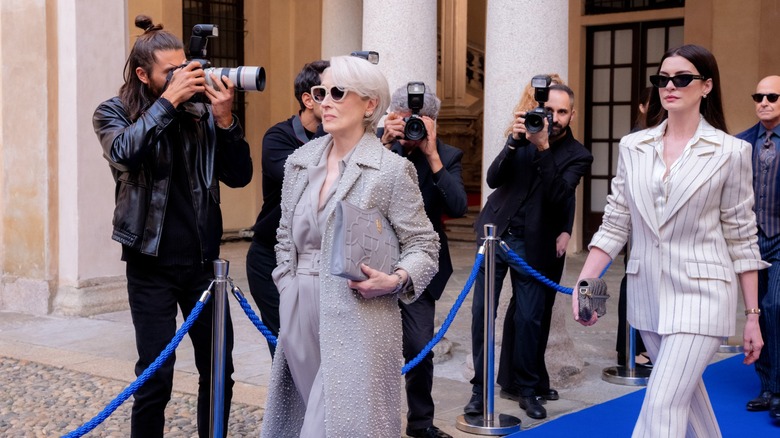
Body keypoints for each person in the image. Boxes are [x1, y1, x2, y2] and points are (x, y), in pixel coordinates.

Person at [572, 44, 766, 437]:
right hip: (649, 294)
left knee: (662, 402)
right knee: (684, 399)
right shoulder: (634, 146)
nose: (670, 86)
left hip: (704, 294)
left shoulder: (731, 152)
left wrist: (752, 317)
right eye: (662, 79)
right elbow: (616, 221)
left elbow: (742, 237)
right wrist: (586, 283)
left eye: (682, 78)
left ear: (706, 86)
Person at [260, 55, 440, 438]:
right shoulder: (300, 162)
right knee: (312, 414)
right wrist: (286, 283)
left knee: (335, 425)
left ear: (370, 104)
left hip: (357, 312)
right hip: (298, 307)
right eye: (321, 92)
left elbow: (424, 244)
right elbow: (283, 235)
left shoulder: (390, 169)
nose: (325, 101)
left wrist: (395, 279)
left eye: (339, 93)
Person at [92, 15, 253, 438]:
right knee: (155, 377)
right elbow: (125, 154)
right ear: (144, 75)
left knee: (219, 369)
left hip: (203, 266)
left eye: (185, 67)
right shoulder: (113, 112)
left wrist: (225, 120)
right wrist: (168, 104)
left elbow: (239, 176)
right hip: (150, 265)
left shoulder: (201, 114)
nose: (184, 76)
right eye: (172, 72)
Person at [465, 79, 593, 420]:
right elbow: (493, 179)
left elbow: (559, 197)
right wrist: (513, 143)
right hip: (495, 235)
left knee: (529, 319)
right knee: (482, 315)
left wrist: (543, 148)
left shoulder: (577, 155)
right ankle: (480, 389)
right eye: (549, 109)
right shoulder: (521, 136)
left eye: (562, 111)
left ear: (572, 115)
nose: (553, 117)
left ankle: (526, 388)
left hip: (533, 243)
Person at [380, 85, 468, 438]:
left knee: (419, 348)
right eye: (405, 118)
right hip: (375, 259)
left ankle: (421, 423)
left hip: (421, 267)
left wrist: (432, 156)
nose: (412, 126)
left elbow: (459, 206)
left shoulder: (447, 155)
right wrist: (384, 143)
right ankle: (376, 421)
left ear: (434, 123)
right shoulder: (374, 146)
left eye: (421, 121)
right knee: (374, 350)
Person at [246, 60, 329, 356]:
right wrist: (336, 137)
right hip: (271, 259)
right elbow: (301, 175)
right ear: (308, 99)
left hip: (320, 262)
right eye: (327, 92)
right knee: (289, 350)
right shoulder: (278, 137)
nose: (335, 100)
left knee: (320, 351)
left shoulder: (345, 140)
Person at [736, 75, 780, 420]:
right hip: (752, 239)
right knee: (759, 313)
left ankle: (778, 389)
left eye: (772, 96)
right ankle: (767, 387)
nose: (764, 102)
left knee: (774, 304)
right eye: (759, 96)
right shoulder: (742, 143)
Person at [616, 85, 654, 368]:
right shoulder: (633, 141)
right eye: (651, 103)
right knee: (632, 282)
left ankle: (646, 343)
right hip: (636, 223)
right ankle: (627, 347)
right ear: (641, 107)